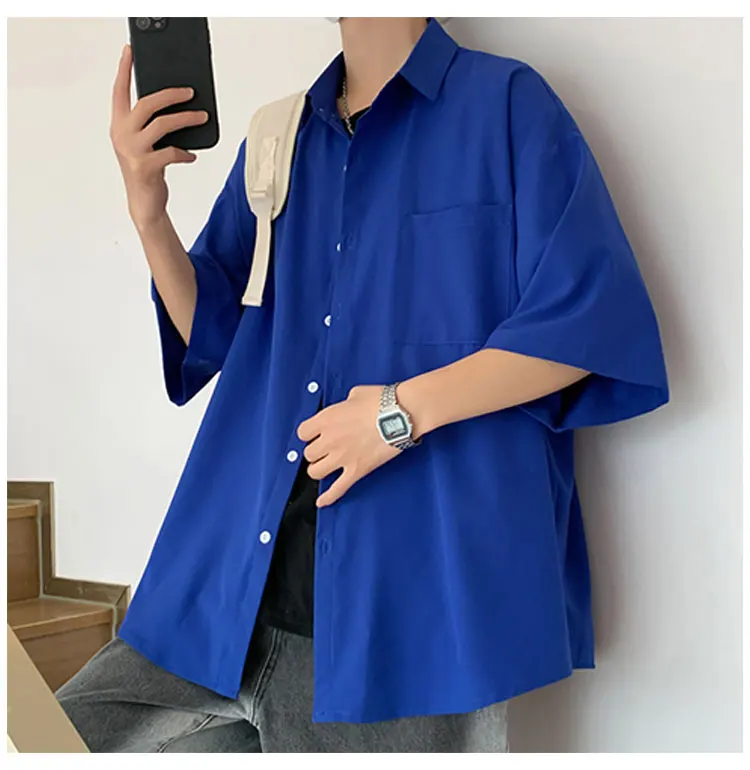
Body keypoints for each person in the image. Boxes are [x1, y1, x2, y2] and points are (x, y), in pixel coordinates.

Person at [57, 17, 669, 753]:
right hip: (225, 590)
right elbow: (215, 337)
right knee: (43, 737)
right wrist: (148, 213)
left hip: (406, 618)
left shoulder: (507, 106)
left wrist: (396, 413)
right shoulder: (278, 137)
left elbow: (587, 321)